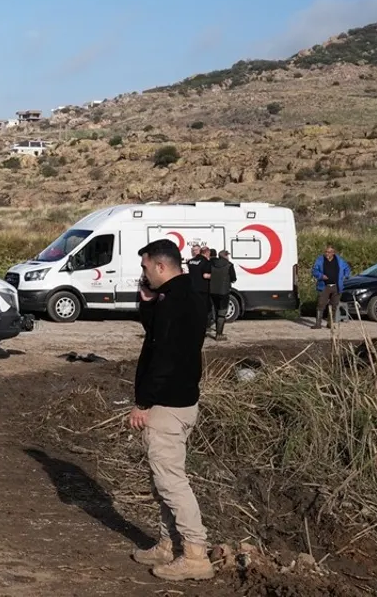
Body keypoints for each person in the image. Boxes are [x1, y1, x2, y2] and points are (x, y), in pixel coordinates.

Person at [129, 238, 212, 580]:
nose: (143, 273)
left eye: (146, 267)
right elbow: (160, 332)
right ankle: (169, 544)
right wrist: (149, 304)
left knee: (172, 482)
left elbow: (162, 355)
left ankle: (195, 555)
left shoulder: (174, 300)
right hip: (183, 398)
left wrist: (143, 402)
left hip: (167, 403)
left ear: (161, 266)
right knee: (164, 479)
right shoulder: (187, 293)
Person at [312, 245, 351, 330]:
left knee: (334, 305)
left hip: (336, 286)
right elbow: (314, 270)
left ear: (333, 253)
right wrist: (321, 276)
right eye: (326, 252)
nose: (327, 254)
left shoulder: (339, 260)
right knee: (321, 304)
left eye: (329, 252)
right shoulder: (320, 260)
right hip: (324, 286)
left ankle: (330, 323)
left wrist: (345, 275)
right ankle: (318, 324)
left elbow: (347, 268)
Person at [208, 250, 237, 341]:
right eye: (227, 255)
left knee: (213, 311)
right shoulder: (229, 265)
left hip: (212, 291)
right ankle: (219, 334)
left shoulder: (211, 263)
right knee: (221, 313)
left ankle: (208, 328)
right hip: (224, 291)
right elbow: (233, 278)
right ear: (225, 256)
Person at [184, 245, 212, 328]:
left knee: (193, 307)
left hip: (192, 288)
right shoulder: (205, 261)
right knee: (203, 308)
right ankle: (202, 325)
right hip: (202, 288)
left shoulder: (190, 262)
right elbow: (205, 275)